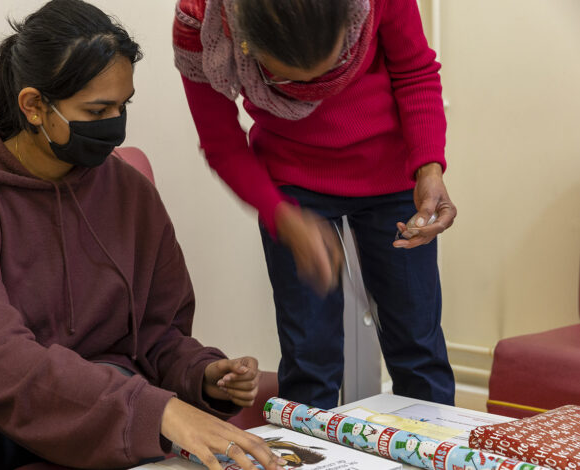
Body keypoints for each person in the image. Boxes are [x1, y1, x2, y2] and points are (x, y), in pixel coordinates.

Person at [0, 2, 289, 469]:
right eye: (97, 109)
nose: (115, 124)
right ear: (33, 106)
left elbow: (160, 336)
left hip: (106, 402)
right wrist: (160, 411)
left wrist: (203, 374)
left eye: (122, 105)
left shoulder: (131, 191)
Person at [173, 0, 457, 409]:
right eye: (290, 81)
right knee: (310, 359)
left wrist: (429, 167)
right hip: (291, 185)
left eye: (331, 67)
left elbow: (414, 71)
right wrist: (281, 217)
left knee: (418, 349)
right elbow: (222, 142)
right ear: (244, 46)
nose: (317, 91)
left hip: (390, 172)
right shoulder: (200, 25)